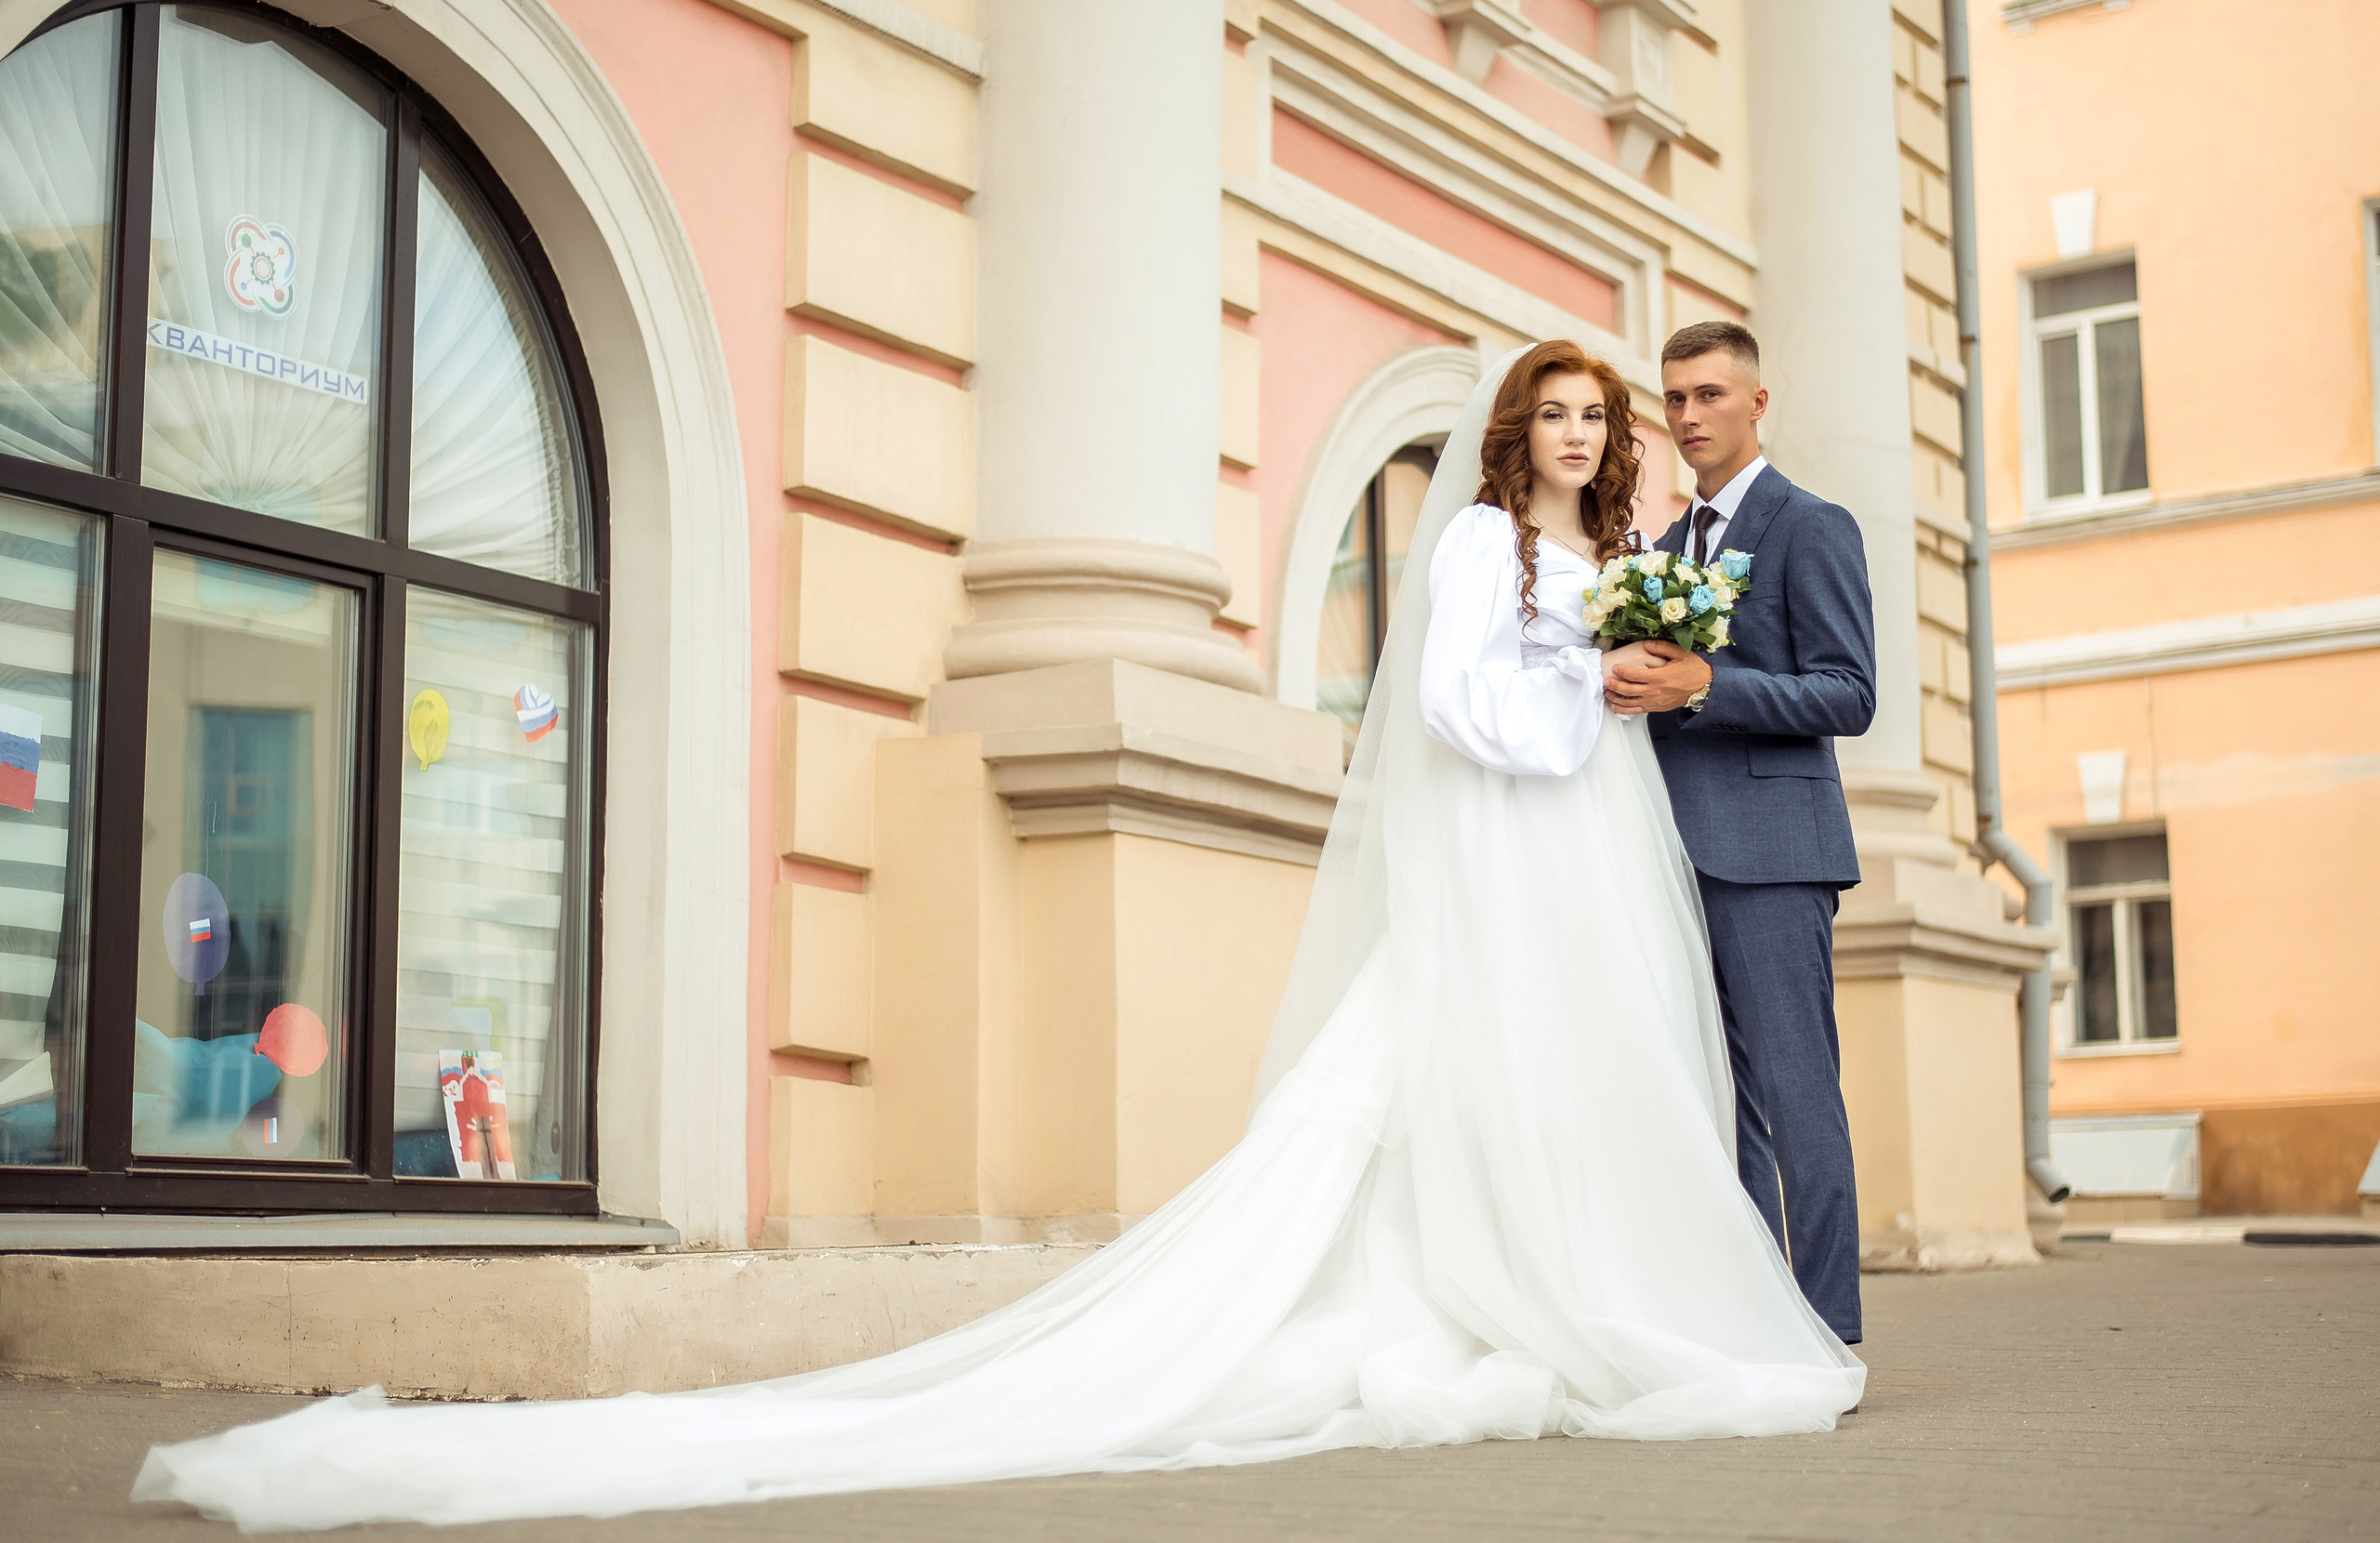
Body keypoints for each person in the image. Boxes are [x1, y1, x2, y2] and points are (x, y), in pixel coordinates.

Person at [132, 342, 1862, 1533]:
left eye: (1597, 416)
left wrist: (1638, 670)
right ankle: (1500, 1300)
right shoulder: (1478, 545)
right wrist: (1589, 686)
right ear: (1513, 432)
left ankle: (1581, 1295)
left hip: (1583, 854)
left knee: (1580, 1083)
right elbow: (1458, 708)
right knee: (1423, 1089)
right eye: (1555, 413)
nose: (1579, 434)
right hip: (1510, 846)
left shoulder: (1622, 548)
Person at [1602, 322, 1877, 1344]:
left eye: (1709, 394)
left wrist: (1706, 684)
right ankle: (1757, 1329)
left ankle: (1830, 1332)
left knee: (1799, 1100)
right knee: (1717, 1108)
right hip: (1668, 854)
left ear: (1757, 402)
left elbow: (1848, 693)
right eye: (1674, 397)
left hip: (1774, 854)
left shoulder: (1812, 525)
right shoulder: (1660, 552)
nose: (1688, 416)